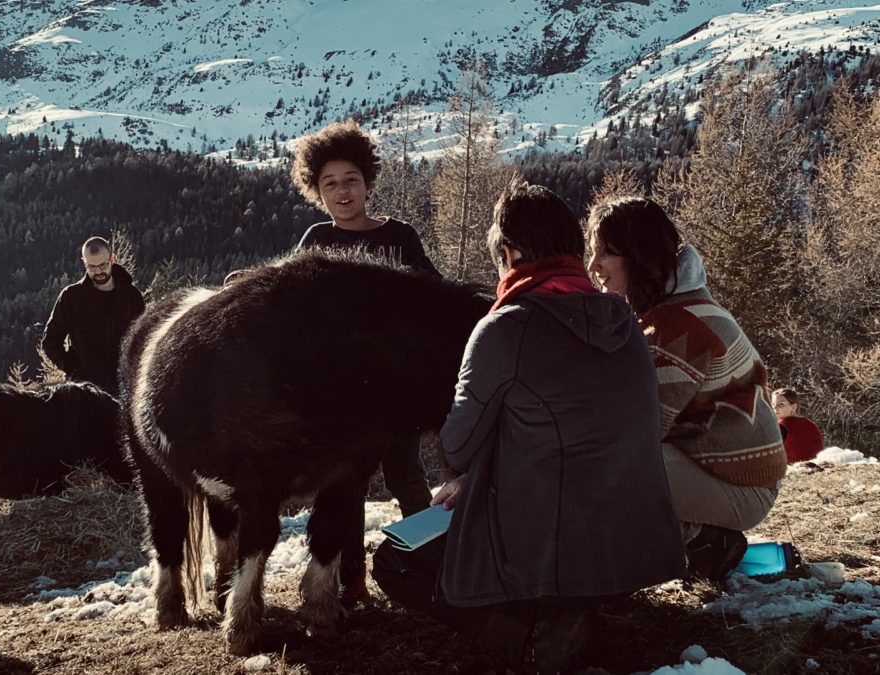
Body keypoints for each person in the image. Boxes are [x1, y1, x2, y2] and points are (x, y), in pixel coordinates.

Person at [372, 181, 686, 673]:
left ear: (511, 252)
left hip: (547, 552)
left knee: (395, 554)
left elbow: (457, 447)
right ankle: (571, 607)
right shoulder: (624, 321)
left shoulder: (505, 327)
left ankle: (525, 635)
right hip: (632, 551)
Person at [586, 196, 786, 581]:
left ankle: (702, 542)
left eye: (605, 254)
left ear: (638, 256)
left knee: (605, 471)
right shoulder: (682, 307)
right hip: (740, 475)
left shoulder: (675, 330)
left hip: (743, 488)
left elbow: (636, 433)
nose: (594, 267)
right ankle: (696, 540)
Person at [290, 119, 437, 607]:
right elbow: (291, 314)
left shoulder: (401, 238)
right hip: (340, 399)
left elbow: (433, 301)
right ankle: (349, 576)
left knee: (407, 477)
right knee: (343, 488)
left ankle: (434, 559)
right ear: (317, 191)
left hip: (396, 391)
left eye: (350, 179)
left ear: (368, 181)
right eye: (329, 183)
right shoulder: (314, 241)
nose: (342, 191)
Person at [41, 236, 145, 396]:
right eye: (91, 266)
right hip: (84, 393)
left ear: (113, 259)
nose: (98, 271)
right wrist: (73, 371)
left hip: (124, 391)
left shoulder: (132, 297)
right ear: (84, 263)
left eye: (103, 265)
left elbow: (143, 341)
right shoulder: (71, 297)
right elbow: (50, 342)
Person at [772, 387, 824, 463]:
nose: (775, 407)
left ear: (793, 407)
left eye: (781, 404)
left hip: (793, 468)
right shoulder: (809, 423)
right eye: (773, 404)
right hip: (816, 465)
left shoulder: (782, 426)